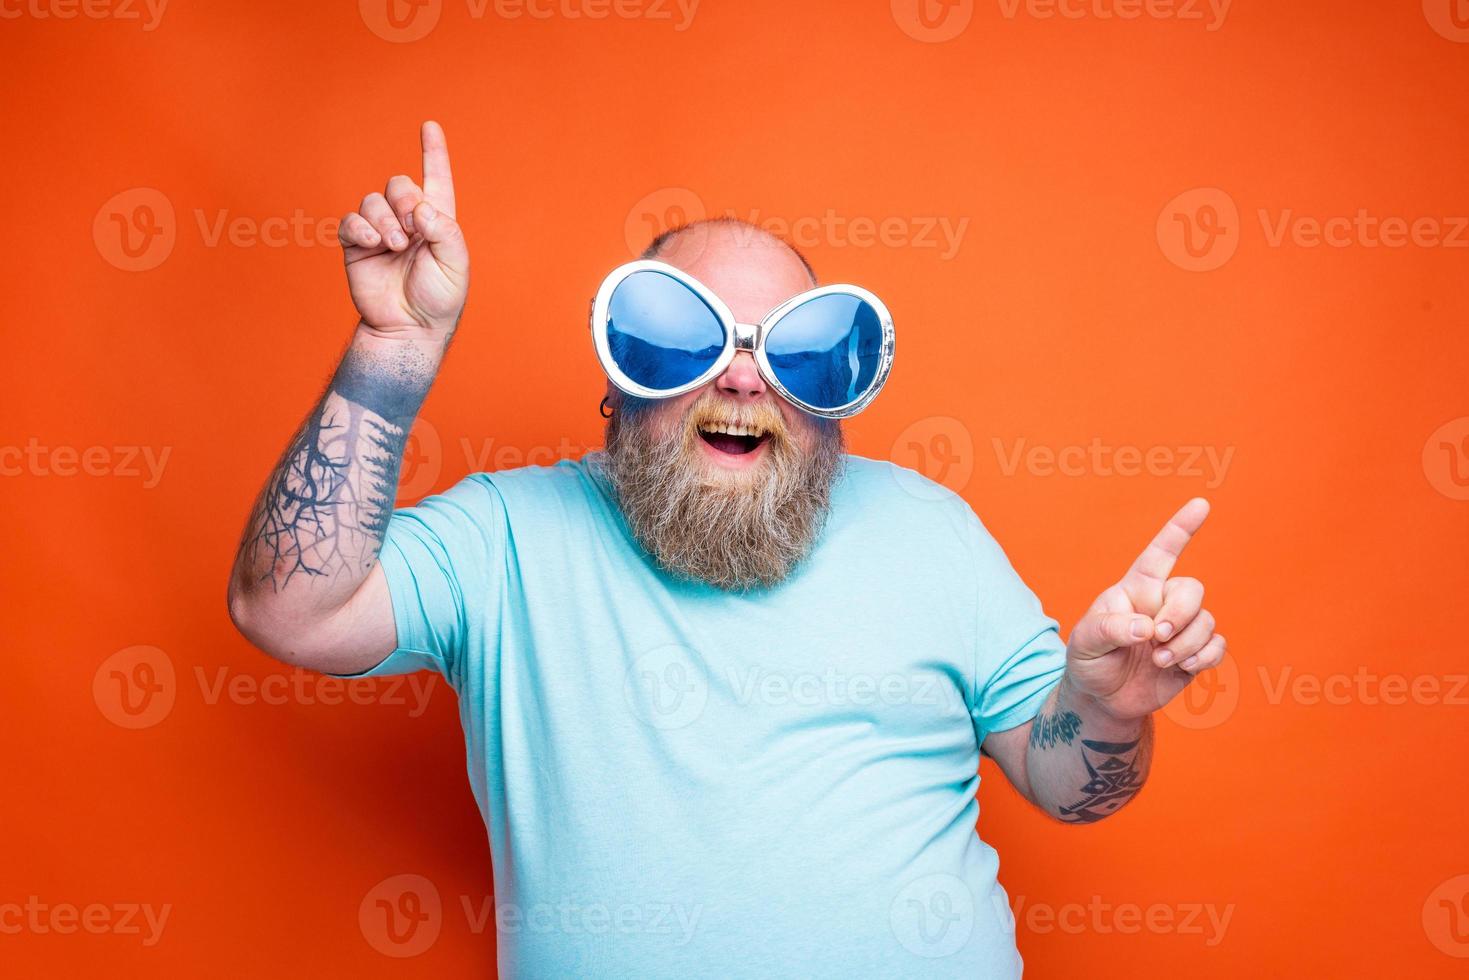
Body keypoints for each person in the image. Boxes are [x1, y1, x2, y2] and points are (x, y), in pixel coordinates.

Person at [227, 122, 1228, 978]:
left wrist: (1104, 706)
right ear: (618, 382)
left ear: (833, 394)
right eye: (681, 336)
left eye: (790, 347)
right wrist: (392, 349)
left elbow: (1069, 786)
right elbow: (289, 607)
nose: (742, 378)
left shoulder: (930, 529)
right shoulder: (505, 539)